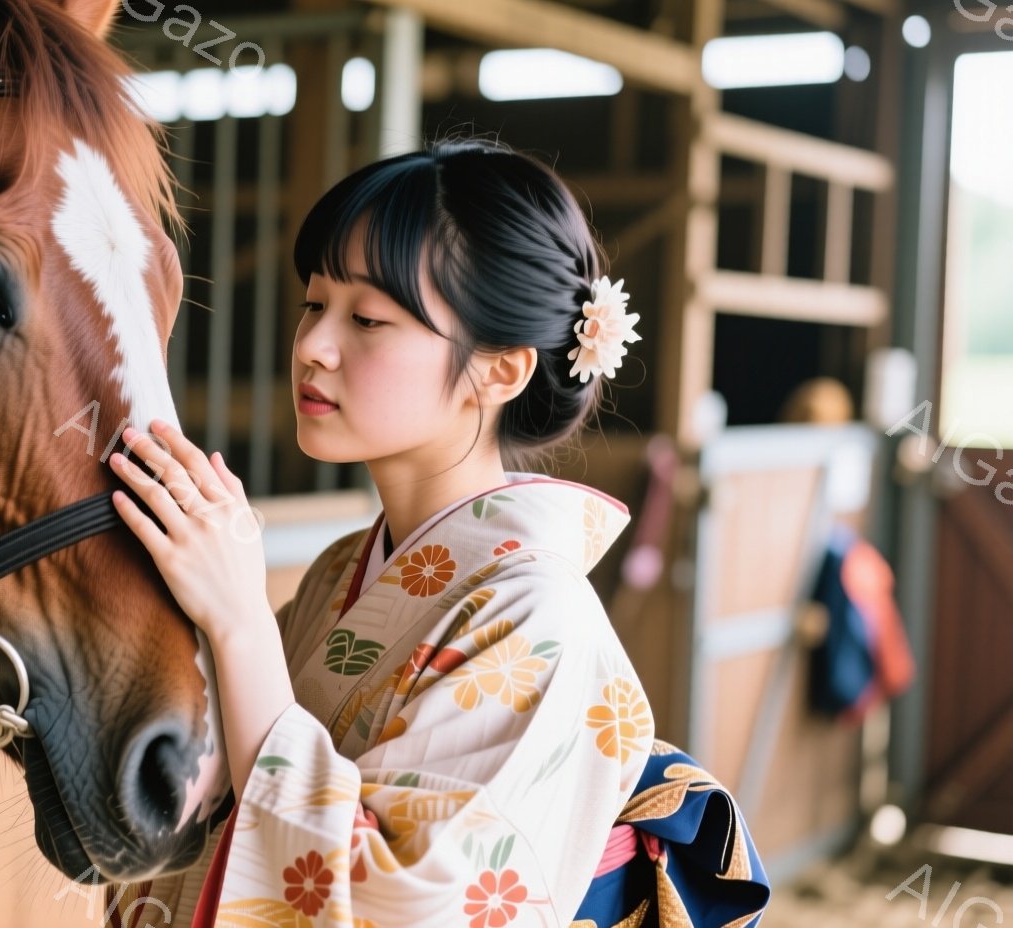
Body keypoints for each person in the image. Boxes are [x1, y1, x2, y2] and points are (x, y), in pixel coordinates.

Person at [105, 137, 768, 928]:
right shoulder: (338, 574)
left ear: (499, 370)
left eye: (369, 318)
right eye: (314, 304)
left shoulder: (541, 619)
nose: (313, 346)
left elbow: (412, 905)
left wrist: (242, 623)